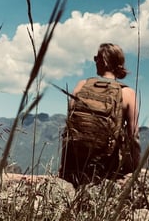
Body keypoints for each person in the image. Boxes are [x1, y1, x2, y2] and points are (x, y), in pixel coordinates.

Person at [59, 43, 141, 187]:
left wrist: (64, 169)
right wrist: (133, 170)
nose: (95, 61)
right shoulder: (128, 94)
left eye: (96, 57)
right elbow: (133, 137)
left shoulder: (81, 85)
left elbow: (69, 128)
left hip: (75, 165)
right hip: (106, 167)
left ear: (103, 60)